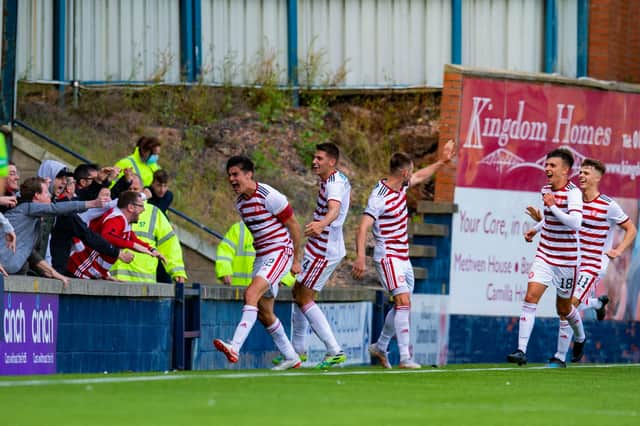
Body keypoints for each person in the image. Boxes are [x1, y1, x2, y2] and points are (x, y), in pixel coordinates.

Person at [352, 140, 455, 369]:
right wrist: (360, 256)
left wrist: (442, 162)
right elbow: (362, 227)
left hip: (403, 256)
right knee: (403, 301)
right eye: (411, 171)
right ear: (404, 172)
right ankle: (406, 358)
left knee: (402, 305)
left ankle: (380, 346)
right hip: (387, 255)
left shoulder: (402, 186)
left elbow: (421, 176)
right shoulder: (379, 197)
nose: (413, 175)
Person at [527, 158, 637, 361]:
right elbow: (560, 221)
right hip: (572, 261)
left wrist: (619, 249)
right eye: (581, 172)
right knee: (566, 307)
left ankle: (560, 356)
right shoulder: (574, 199)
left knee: (569, 306)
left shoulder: (608, 206)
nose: (581, 176)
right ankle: (595, 305)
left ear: (597, 177)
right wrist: (538, 224)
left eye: (586, 173)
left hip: (593, 266)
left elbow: (631, 229)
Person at [213, 156, 303, 371]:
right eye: (229, 175)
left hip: (280, 251)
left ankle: (234, 347)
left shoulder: (270, 196)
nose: (231, 179)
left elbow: (294, 226)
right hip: (262, 255)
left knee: (250, 295)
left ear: (248, 174)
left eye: (235, 174)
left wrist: (296, 259)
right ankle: (291, 357)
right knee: (264, 312)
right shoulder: (241, 203)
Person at [507, 148, 585, 368]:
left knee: (563, 309)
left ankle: (580, 337)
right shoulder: (545, 189)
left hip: (567, 261)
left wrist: (551, 206)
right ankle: (521, 350)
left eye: (552, 165)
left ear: (565, 170)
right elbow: (551, 220)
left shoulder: (573, 193)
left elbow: (575, 223)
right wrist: (536, 228)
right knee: (531, 297)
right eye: (547, 165)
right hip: (545, 254)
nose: (547, 168)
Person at [284, 143, 351, 369]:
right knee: (298, 291)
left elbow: (334, 208)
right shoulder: (334, 179)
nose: (315, 162)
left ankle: (334, 350)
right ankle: (298, 351)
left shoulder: (333, 183)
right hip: (320, 246)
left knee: (305, 297)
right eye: (314, 157)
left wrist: (322, 224)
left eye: (320, 158)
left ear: (331, 162)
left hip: (325, 249)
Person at [0, 177, 105, 286]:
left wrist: (54, 273)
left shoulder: (32, 219)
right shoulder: (26, 208)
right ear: (37, 195)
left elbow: (32, 255)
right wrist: (92, 203)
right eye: (46, 192)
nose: (50, 195)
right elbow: (55, 209)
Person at [67, 190, 165, 279]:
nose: (143, 210)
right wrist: (132, 246)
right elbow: (107, 236)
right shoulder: (116, 219)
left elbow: (132, 239)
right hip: (79, 270)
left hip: (90, 273)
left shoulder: (124, 221)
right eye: (141, 206)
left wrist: (152, 249)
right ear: (130, 207)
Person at [110, 175, 187, 284]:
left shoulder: (154, 213)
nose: (132, 192)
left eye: (135, 189)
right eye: (128, 189)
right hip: (113, 282)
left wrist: (177, 271)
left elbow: (169, 244)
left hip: (144, 285)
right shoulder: (111, 211)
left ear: (142, 191)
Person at [215, 221, 296, 286]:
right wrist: (225, 272)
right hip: (237, 292)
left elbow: (287, 259)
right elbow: (224, 253)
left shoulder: (278, 232)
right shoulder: (238, 229)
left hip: (265, 294)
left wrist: (283, 279)